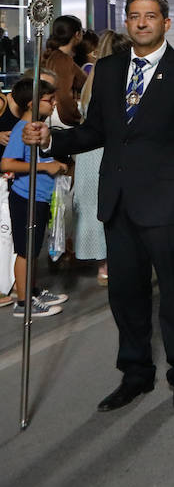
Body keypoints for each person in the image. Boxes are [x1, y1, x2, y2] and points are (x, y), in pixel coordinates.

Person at [24, 0, 174, 412]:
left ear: (166, 22)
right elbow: (96, 132)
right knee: (126, 296)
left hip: (169, 205)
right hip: (120, 203)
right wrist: (52, 138)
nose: (141, 23)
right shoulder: (109, 70)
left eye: (150, 16)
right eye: (134, 16)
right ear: (126, 23)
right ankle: (135, 374)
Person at [5, 78, 70, 317]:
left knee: (33, 250)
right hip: (26, 198)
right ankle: (23, 303)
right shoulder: (22, 129)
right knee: (25, 251)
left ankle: (30, 291)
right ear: (32, 103)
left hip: (40, 197)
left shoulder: (36, 127)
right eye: (49, 100)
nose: (53, 104)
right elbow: (7, 163)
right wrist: (45, 168)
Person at [73, 31, 130, 286]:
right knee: (111, 206)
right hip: (104, 153)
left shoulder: (91, 79)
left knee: (92, 207)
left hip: (86, 155)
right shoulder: (116, 81)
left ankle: (102, 264)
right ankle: (113, 263)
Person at [42, 14, 87, 127]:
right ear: (77, 34)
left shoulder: (51, 55)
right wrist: (76, 117)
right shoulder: (62, 60)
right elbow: (63, 95)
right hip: (61, 119)